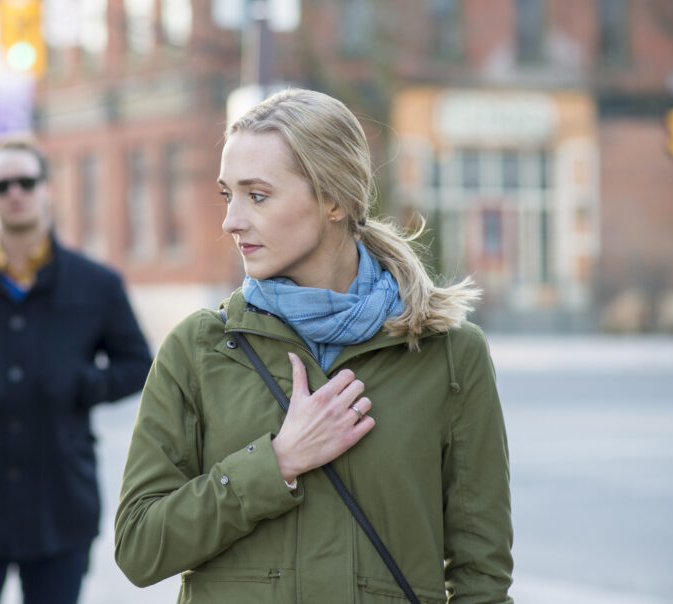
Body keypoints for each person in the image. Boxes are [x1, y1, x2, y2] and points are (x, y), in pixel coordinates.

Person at [114, 89, 513, 603]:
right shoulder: (198, 348)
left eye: (257, 196)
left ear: (335, 200)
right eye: (227, 195)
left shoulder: (451, 354)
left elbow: (482, 574)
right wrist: (276, 463)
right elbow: (139, 547)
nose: (231, 221)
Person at [0, 135, 152, 604]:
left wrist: (82, 384)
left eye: (26, 181)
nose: (15, 192)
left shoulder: (97, 283)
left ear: (47, 190)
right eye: (1, 185)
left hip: (61, 504)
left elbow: (138, 364)